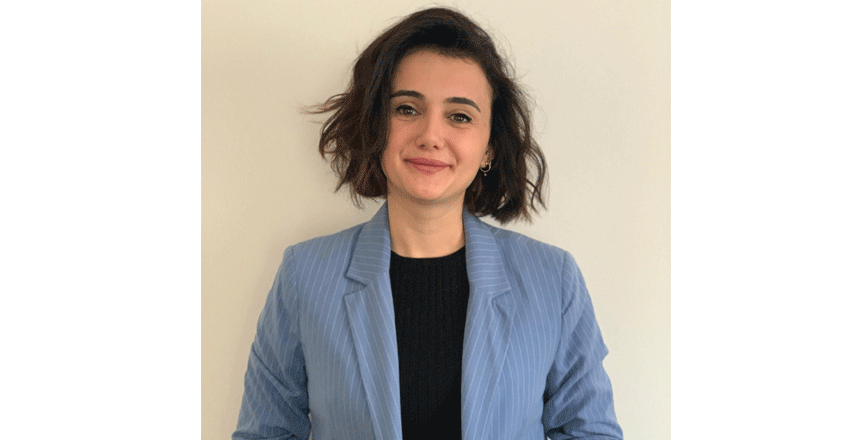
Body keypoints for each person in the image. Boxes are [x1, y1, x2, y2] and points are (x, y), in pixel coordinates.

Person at [233, 7, 623, 440]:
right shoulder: (305, 275)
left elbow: (590, 431)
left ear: (490, 147)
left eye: (460, 116)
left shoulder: (553, 280)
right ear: (376, 126)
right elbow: (265, 432)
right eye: (406, 109)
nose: (431, 136)